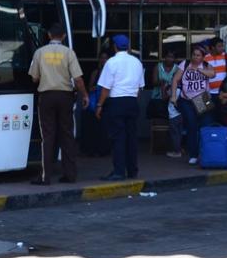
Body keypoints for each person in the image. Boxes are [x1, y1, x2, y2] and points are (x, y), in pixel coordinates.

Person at [27, 23, 89, 184]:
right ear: (63, 36)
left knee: (48, 137)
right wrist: (85, 95)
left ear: (48, 35)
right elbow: (78, 79)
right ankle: (70, 175)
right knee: (67, 136)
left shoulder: (39, 53)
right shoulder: (69, 53)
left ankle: (45, 177)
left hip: (46, 97)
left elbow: (34, 78)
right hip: (65, 97)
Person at [95, 35, 145, 181]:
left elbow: (105, 88)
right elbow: (140, 87)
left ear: (115, 47)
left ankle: (118, 171)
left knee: (118, 138)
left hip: (116, 102)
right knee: (131, 138)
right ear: (128, 47)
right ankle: (132, 170)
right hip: (132, 102)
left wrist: (99, 105)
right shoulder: (137, 62)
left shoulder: (111, 62)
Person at [171, 46, 214, 165]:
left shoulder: (206, 65)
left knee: (206, 126)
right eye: (194, 54)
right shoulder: (185, 64)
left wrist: (200, 70)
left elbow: (212, 74)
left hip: (202, 98)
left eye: (198, 55)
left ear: (203, 57)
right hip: (187, 99)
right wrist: (173, 96)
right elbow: (175, 79)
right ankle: (193, 154)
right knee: (191, 126)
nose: (195, 57)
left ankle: (206, 152)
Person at [154, 50, 182, 158]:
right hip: (180, 112)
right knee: (179, 131)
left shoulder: (173, 88)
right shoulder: (180, 89)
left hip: (174, 114)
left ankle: (177, 151)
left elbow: (165, 97)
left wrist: (164, 89)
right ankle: (181, 149)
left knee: (175, 132)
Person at [204, 38, 227, 109]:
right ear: (213, 47)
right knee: (207, 114)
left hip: (223, 94)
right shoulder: (205, 59)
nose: (222, 48)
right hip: (207, 94)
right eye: (219, 46)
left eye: (222, 46)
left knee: (222, 116)